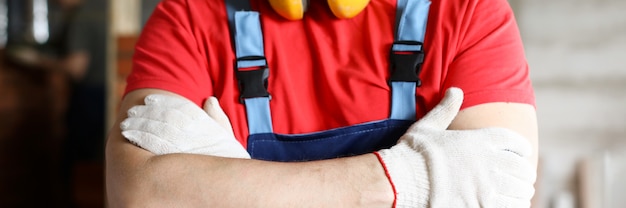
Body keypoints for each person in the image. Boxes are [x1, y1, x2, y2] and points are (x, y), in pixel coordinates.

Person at [106, 0, 539, 207]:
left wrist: (222, 182)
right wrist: (410, 180)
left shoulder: (468, 12)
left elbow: (497, 188)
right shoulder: (188, 18)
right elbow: (141, 194)